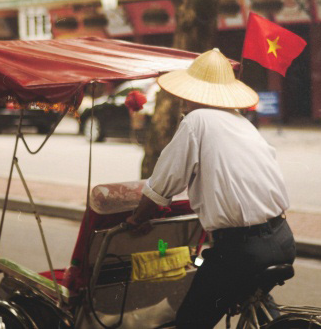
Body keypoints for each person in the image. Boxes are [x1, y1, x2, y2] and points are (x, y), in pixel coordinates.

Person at [126, 48, 296, 328]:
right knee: (253, 300)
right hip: (281, 239)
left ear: (191, 93)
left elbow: (162, 184)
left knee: (191, 321)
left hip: (240, 249)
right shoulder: (243, 124)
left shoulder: (196, 121)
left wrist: (137, 219)